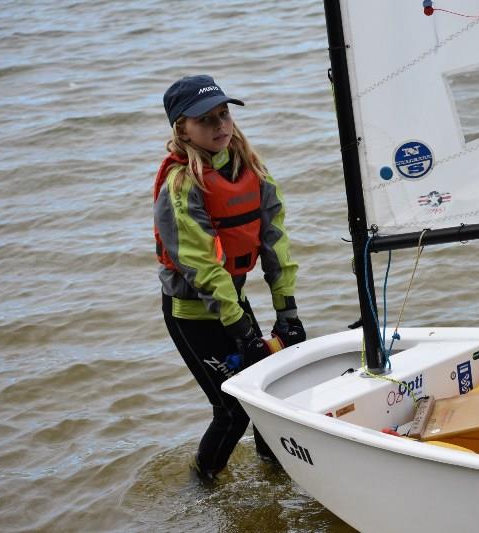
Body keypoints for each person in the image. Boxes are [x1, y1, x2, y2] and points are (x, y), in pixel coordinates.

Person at [154, 75, 305, 481]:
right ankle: (201, 486)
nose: (221, 125)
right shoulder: (181, 185)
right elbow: (201, 266)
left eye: (225, 114)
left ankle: (273, 483)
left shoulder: (253, 170)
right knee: (233, 410)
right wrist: (241, 329)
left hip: (233, 303)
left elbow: (276, 242)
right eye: (207, 119)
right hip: (193, 311)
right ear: (182, 128)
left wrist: (286, 310)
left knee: (266, 399)